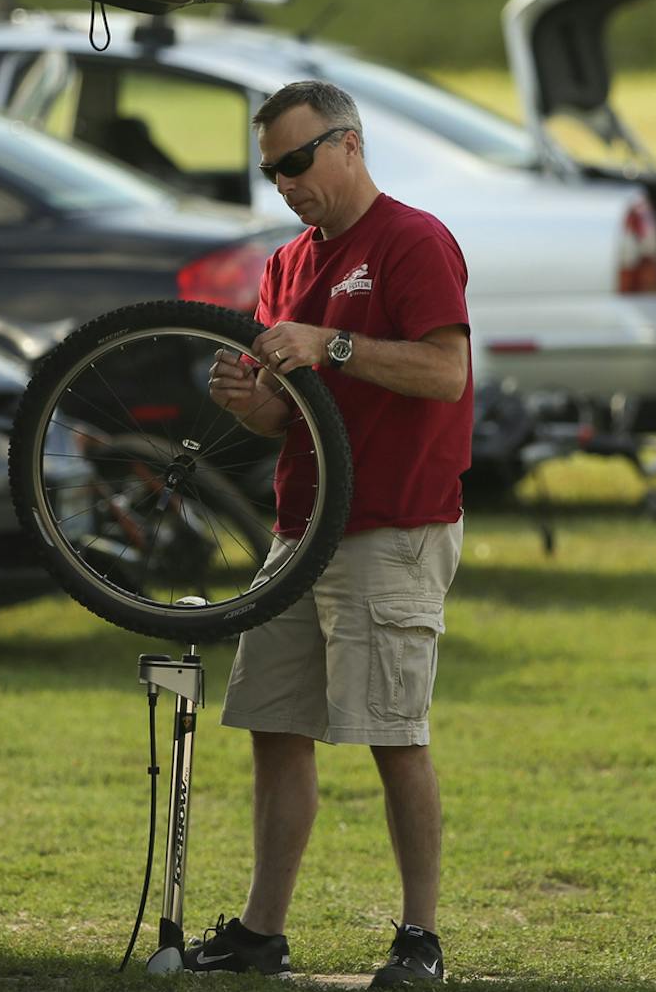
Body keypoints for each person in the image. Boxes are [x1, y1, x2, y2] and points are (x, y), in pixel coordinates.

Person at [186, 79, 472, 988]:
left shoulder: (413, 239)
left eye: (298, 161)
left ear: (349, 144)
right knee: (275, 727)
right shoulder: (287, 263)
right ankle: (262, 932)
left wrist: (331, 344)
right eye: (272, 170)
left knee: (394, 734)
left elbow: (447, 372)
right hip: (299, 528)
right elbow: (288, 411)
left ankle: (419, 936)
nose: (286, 183)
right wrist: (254, 404)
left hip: (394, 527)